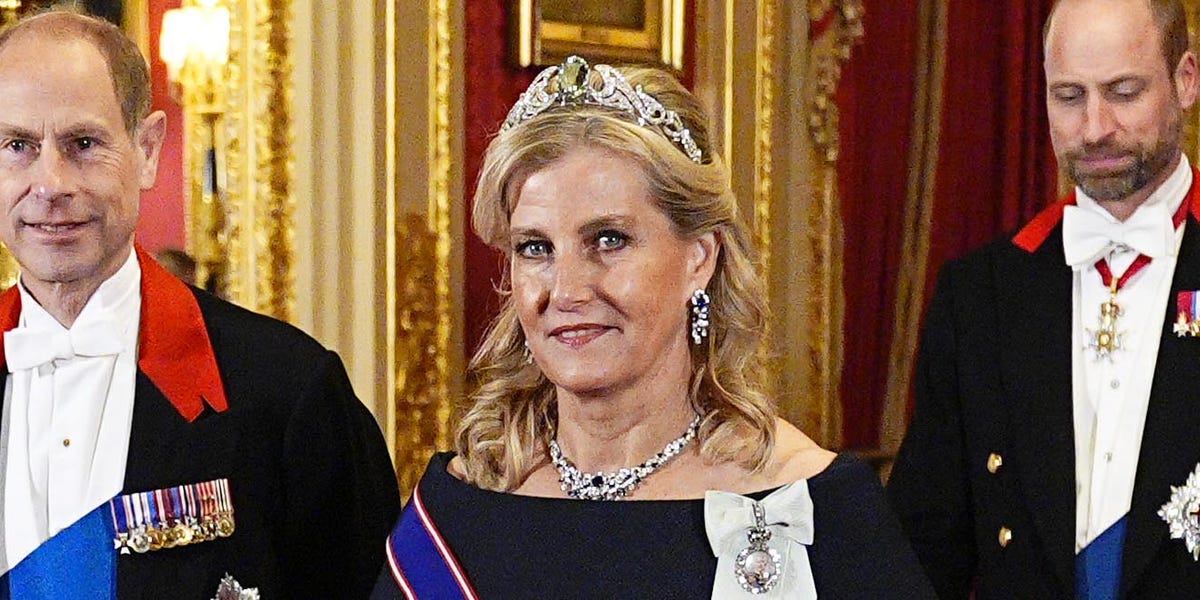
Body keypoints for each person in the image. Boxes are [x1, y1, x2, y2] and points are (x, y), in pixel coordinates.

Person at [372, 56, 935, 599]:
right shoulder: (458, 509)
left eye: (609, 240)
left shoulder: (804, 503)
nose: (566, 291)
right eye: (535, 248)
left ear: (699, 258)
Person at [0, 10, 400, 599]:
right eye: (18, 145)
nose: (50, 183)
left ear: (146, 150)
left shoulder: (290, 391)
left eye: (83, 144)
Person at [887, 0, 1200, 598]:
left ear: (1185, 80)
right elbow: (925, 552)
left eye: (1124, 92)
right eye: (1069, 96)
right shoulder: (980, 295)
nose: (1095, 128)